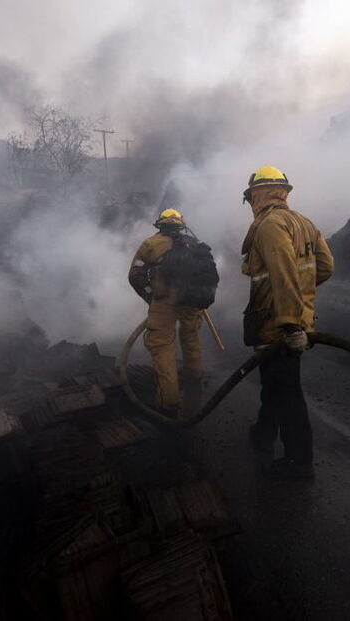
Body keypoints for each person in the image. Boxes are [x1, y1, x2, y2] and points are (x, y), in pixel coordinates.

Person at [240, 166, 334, 478]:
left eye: (251, 196)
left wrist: (291, 322)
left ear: (257, 194)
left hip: (278, 324)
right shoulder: (304, 222)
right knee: (275, 385)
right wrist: (303, 302)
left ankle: (299, 461)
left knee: (288, 393)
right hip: (292, 320)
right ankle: (262, 434)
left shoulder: (269, 225)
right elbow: (326, 267)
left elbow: (282, 274)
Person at [128, 208, 217, 416]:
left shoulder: (150, 244)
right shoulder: (193, 244)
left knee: (162, 346)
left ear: (160, 224)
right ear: (181, 225)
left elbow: (135, 275)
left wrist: (149, 295)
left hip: (163, 302)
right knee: (191, 338)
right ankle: (194, 381)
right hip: (191, 300)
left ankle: (168, 402)